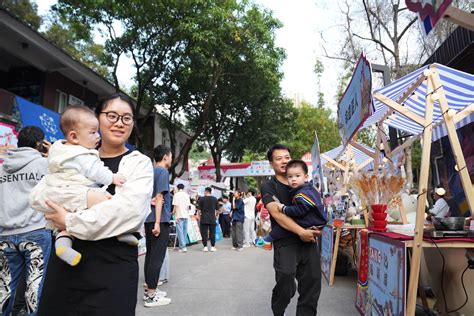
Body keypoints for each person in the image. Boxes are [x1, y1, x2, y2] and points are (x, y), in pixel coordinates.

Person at [37, 93, 154, 315]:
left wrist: (68, 219)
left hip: (113, 268)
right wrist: (86, 201)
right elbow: (47, 194)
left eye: (127, 118)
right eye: (112, 115)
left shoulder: (139, 163)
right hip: (66, 264)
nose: (119, 123)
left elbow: (127, 213)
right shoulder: (75, 156)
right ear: (97, 118)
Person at [30, 105, 135, 267]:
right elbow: (96, 172)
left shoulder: (60, 149)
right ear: (74, 137)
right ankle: (121, 233)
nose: (97, 136)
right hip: (78, 192)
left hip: (58, 195)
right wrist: (113, 177)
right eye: (93, 132)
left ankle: (63, 247)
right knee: (107, 201)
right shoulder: (81, 154)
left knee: (63, 227)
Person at [260, 144, 321, 316]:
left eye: (287, 157)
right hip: (285, 242)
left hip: (308, 241)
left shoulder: (305, 183)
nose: (284, 161)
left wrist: (319, 225)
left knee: (312, 284)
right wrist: (301, 231)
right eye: (278, 159)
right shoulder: (268, 186)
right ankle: (278, 311)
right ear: (271, 163)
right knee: (285, 280)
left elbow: (316, 207)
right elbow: (277, 214)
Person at [0, 126, 51, 316]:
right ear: (40, 143)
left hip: (5, 233)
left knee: (4, 290)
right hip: (36, 231)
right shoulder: (44, 165)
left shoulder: (3, 167)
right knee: (33, 290)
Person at [256, 159, 327, 250]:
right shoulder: (308, 189)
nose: (293, 179)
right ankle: (267, 241)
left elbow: (301, 210)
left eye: (297, 176)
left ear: (305, 177)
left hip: (314, 222)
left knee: (286, 223)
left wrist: (284, 209)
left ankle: (266, 241)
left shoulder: (302, 194)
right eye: (290, 176)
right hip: (316, 221)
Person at [143, 145, 173, 307]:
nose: (171, 158)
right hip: (158, 220)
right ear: (166, 156)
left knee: (150, 255)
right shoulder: (162, 172)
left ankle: (149, 289)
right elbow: (160, 196)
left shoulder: (150, 172)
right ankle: (151, 295)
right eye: (171, 156)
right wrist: (157, 223)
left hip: (149, 217)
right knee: (157, 257)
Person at [197, 187, 219, 252]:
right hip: (212, 218)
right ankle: (212, 246)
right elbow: (218, 210)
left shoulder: (201, 199)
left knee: (204, 233)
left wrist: (200, 216)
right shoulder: (214, 199)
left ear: (206, 191)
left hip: (204, 218)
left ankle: (205, 247)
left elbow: (199, 210)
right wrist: (216, 216)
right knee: (212, 233)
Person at [172, 183, 191, 253]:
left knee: (180, 232)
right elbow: (189, 206)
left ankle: (183, 246)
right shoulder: (186, 195)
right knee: (184, 231)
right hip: (186, 215)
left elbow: (175, 206)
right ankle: (181, 246)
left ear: (177, 188)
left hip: (179, 215)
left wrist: (173, 213)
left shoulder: (176, 195)